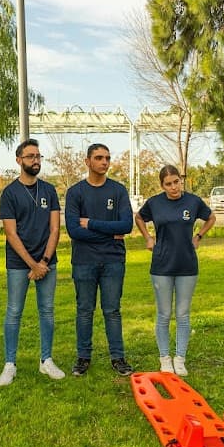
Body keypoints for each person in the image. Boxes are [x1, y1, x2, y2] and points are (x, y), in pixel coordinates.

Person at [134, 165, 216, 376]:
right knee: (163, 314)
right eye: (168, 184)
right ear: (162, 186)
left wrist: (198, 236)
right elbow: (139, 217)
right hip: (162, 266)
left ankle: (180, 358)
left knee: (183, 314)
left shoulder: (193, 201)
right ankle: (165, 358)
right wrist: (148, 237)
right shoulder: (155, 203)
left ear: (181, 180)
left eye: (176, 182)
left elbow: (211, 217)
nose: (174, 187)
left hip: (187, 265)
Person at [0, 139, 65, 385]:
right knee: (14, 312)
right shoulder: (10, 193)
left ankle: (46, 360)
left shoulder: (49, 190)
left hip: (47, 261)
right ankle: (10, 364)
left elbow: (55, 229)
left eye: (38, 156)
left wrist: (43, 261)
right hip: (19, 263)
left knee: (46, 311)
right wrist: (32, 264)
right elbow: (11, 233)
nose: (35, 160)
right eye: (30, 156)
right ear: (19, 160)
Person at [64, 143, 134, 377]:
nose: (104, 162)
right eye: (99, 158)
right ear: (87, 162)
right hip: (84, 261)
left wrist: (92, 223)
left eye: (107, 158)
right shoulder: (75, 192)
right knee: (85, 310)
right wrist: (110, 234)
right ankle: (83, 358)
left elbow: (126, 225)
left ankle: (118, 358)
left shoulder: (118, 190)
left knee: (112, 310)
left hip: (113, 261)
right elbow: (74, 231)